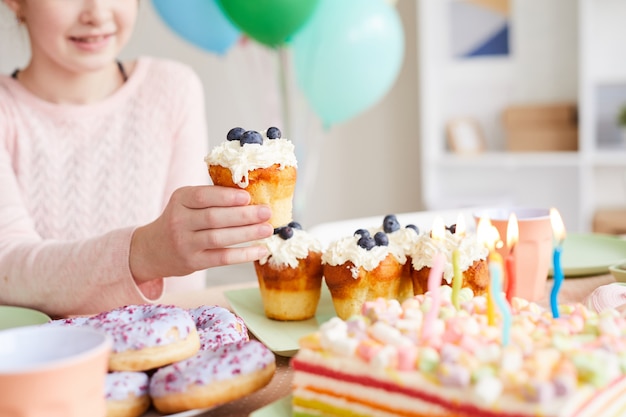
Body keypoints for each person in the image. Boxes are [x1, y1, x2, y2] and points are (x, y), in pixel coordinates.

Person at [0, 0, 273, 317]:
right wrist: (142, 253)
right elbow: (7, 268)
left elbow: (184, 295)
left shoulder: (172, 89)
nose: (97, 14)